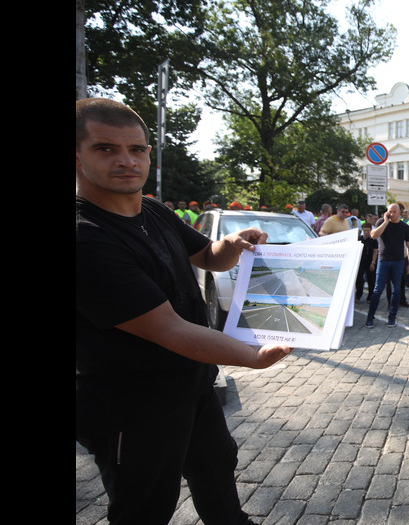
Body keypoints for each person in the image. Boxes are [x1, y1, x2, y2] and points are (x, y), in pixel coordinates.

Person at [76, 98, 292, 524]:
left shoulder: (153, 210)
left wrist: (233, 244)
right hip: (133, 407)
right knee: (145, 506)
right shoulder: (86, 239)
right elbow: (170, 330)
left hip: (193, 387)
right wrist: (251, 354)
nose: (126, 161)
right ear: (78, 156)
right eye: (106, 149)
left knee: (217, 475)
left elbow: (208, 258)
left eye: (137, 150)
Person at [366, 203, 409, 328]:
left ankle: (392, 317)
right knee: (377, 290)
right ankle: (370, 317)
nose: (392, 214)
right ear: (387, 212)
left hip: (398, 262)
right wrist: (386, 222)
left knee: (396, 290)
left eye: (394, 212)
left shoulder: (404, 227)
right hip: (384, 261)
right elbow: (373, 235)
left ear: (400, 213)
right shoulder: (381, 222)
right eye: (390, 212)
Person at [355, 222, 378, 301]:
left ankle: (370, 296)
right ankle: (358, 294)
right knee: (359, 279)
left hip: (370, 261)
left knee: (371, 279)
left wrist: (373, 263)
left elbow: (375, 251)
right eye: (365, 230)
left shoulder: (373, 240)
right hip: (360, 262)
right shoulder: (359, 239)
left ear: (371, 230)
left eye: (368, 230)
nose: (366, 232)